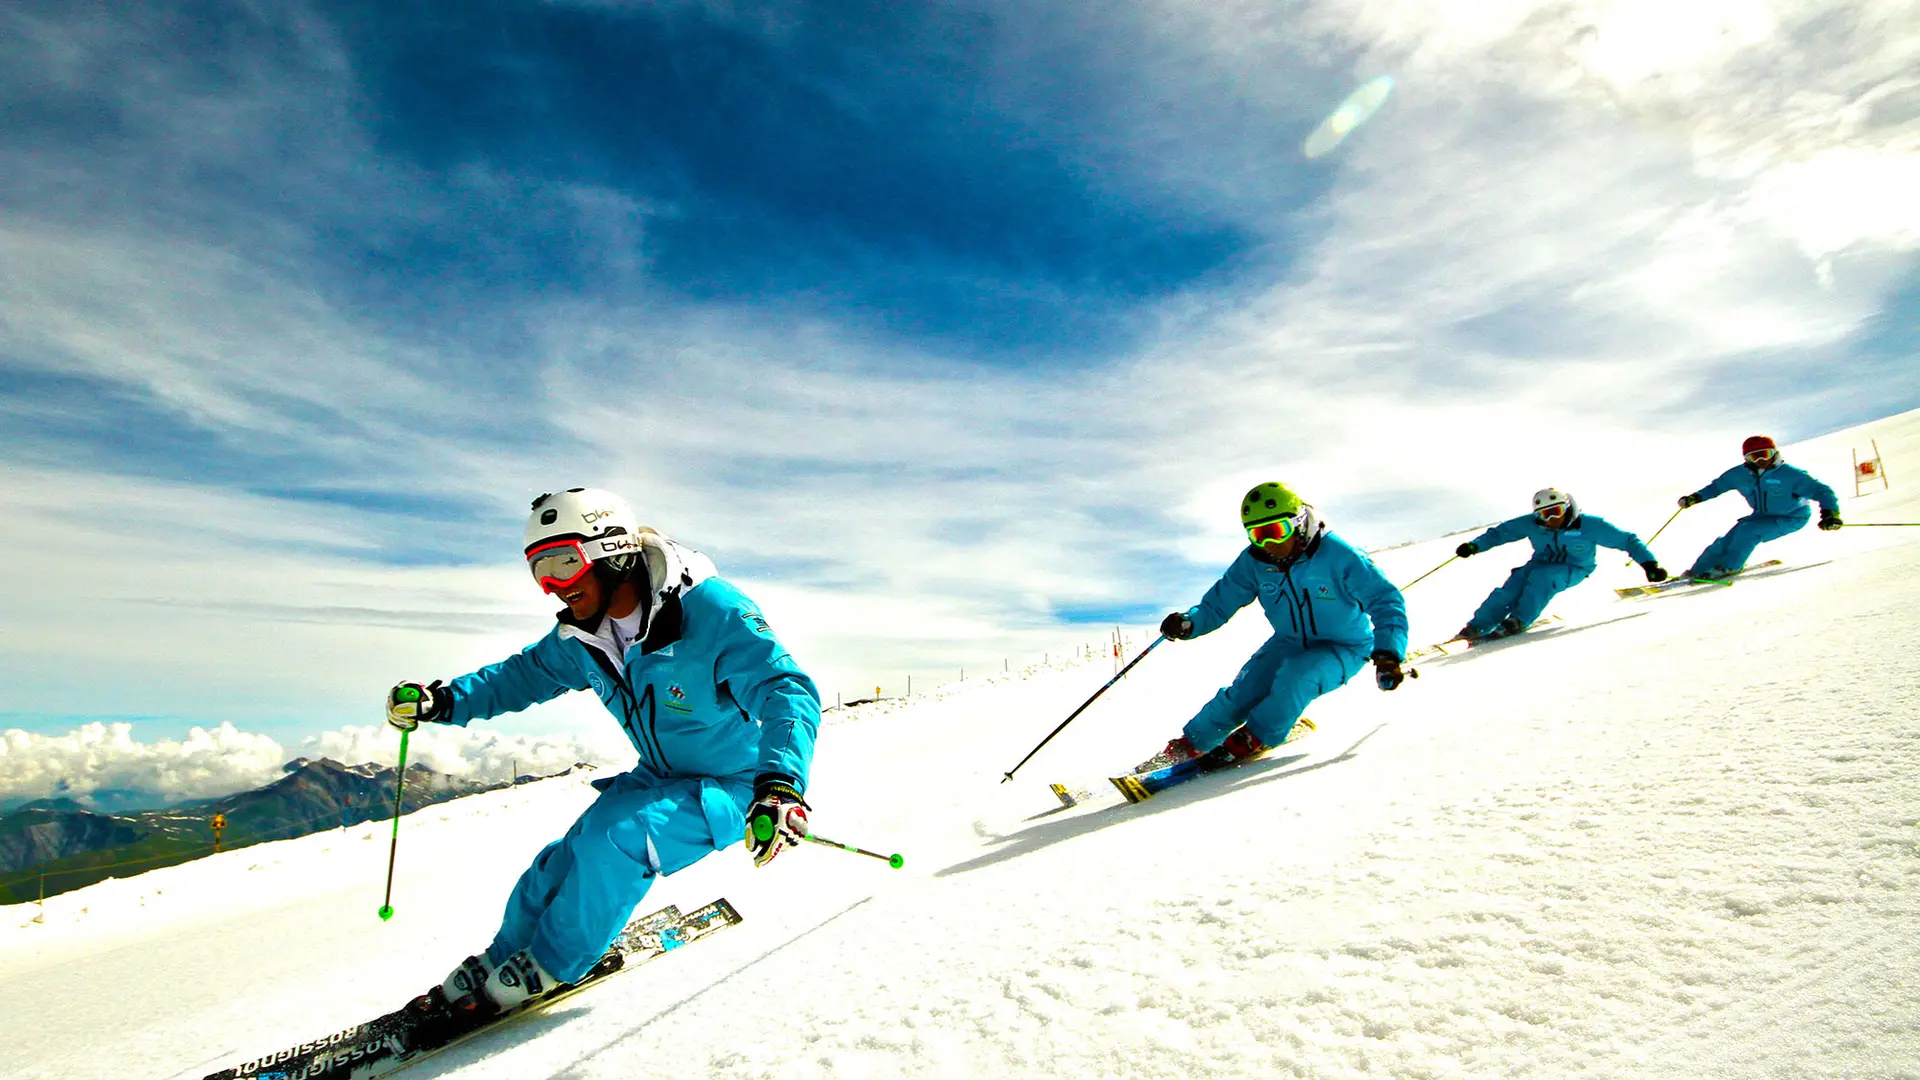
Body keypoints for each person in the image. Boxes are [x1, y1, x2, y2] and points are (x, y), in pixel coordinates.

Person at [385, 487, 820, 1017]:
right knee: (563, 859)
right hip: (659, 774)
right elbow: (522, 676)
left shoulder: (709, 611)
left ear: (611, 549)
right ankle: (505, 955)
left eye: (564, 563)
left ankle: (553, 962)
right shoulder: (583, 634)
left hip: (735, 784)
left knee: (617, 841)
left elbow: (786, 690)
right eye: (539, 569)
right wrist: (444, 700)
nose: (553, 587)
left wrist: (780, 786)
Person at [1147, 482, 1408, 771]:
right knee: (1242, 692)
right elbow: (1218, 604)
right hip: (1289, 641)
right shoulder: (1253, 563)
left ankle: (1254, 737)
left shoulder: (1340, 555)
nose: (1268, 544)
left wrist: (1388, 653)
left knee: (1296, 678)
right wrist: (1190, 622)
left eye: (1275, 531)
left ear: (1298, 523)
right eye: (1258, 535)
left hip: (1344, 646)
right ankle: (1189, 745)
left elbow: (1386, 600)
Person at [1452, 488, 1665, 641]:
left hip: (1575, 568)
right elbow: (1500, 534)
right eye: (1546, 514)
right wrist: (1474, 546)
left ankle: (1518, 620)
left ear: (1566, 508)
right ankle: (1476, 627)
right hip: (1539, 564)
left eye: (1557, 511)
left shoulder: (1589, 525)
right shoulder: (1532, 524)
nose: (1552, 518)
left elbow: (1627, 540)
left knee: (1542, 579)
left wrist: (1650, 564)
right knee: (1512, 585)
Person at [1678, 435, 1841, 580]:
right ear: (1747, 459)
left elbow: (1823, 491)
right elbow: (1716, 487)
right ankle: (1698, 570)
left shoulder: (1790, 475)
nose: (1761, 461)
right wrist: (1695, 498)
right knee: (1727, 540)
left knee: (1748, 532)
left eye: (1765, 454)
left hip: (1792, 517)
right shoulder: (1738, 475)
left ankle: (1730, 566)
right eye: (1754, 457)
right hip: (1761, 515)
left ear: (1775, 453)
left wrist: (1830, 513)